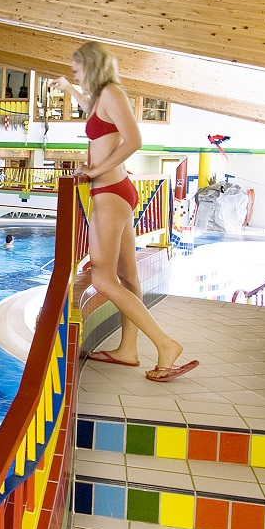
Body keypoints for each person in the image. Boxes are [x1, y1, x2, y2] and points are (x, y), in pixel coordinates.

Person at [56, 41, 195, 383]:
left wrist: (93, 169)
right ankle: (127, 350)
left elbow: (135, 140)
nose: (75, 73)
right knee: (128, 277)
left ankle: (166, 345)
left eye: (77, 69)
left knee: (103, 278)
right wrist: (69, 89)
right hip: (114, 190)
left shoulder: (113, 92)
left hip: (110, 192)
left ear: (91, 65)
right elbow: (94, 114)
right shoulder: (102, 97)